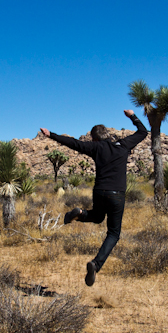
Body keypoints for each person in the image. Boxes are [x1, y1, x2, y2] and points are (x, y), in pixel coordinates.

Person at [40, 109, 148, 286]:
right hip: (117, 195)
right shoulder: (124, 145)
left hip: (99, 192)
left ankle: (80, 213)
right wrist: (132, 116)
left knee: (98, 217)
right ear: (108, 135)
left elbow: (73, 143)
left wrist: (51, 135)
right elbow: (143, 132)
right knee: (113, 233)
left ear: (95, 139)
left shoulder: (95, 148)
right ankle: (96, 264)